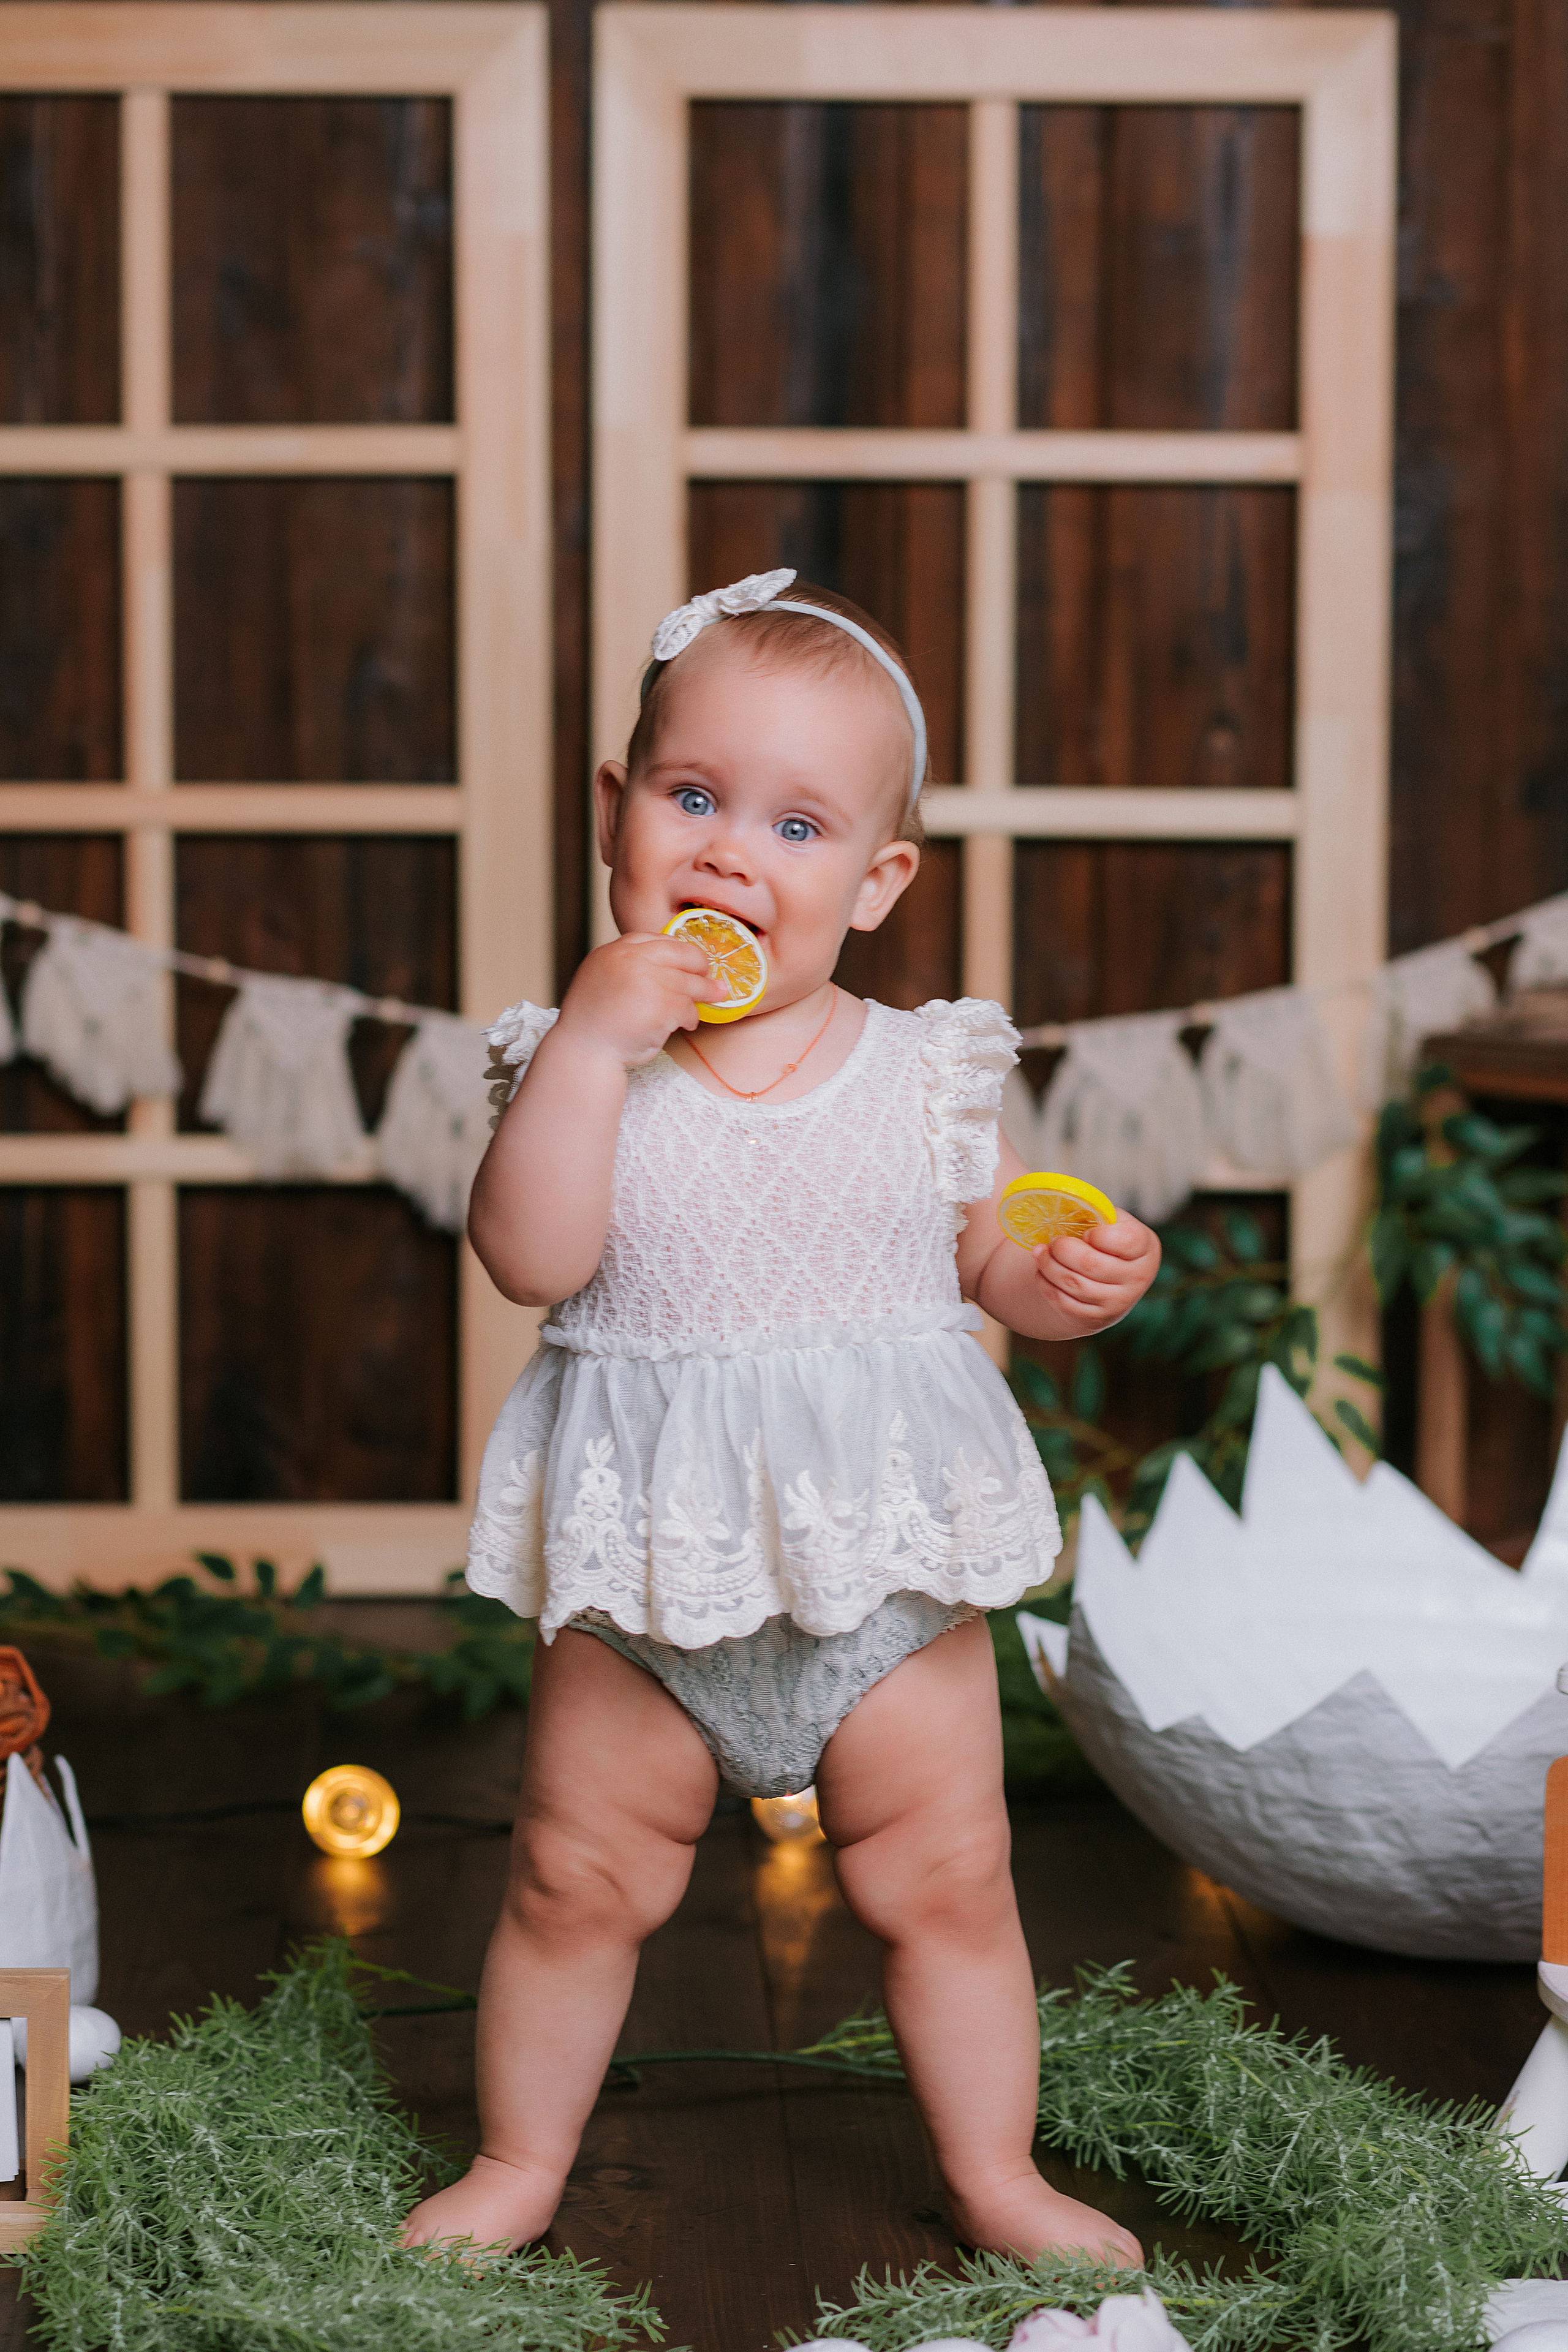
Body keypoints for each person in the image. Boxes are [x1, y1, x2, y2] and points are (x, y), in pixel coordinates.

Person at [402, 569, 1161, 2264]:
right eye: (693, 798)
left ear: (879, 881)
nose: (735, 853)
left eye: (800, 824)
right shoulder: (570, 1063)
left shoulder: (927, 1067)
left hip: (878, 1576)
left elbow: (980, 1265)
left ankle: (996, 2177)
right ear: (616, 815)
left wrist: (1072, 1280)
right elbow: (533, 1257)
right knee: (573, 1886)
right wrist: (597, 1047)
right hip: (650, 1590)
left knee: (949, 1889)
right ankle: (523, 2166)